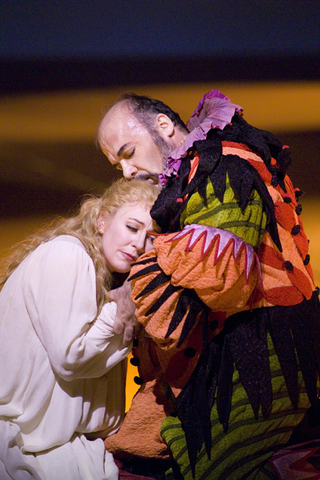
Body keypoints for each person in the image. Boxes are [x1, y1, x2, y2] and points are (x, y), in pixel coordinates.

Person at [98, 91, 320, 479]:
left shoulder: (223, 165)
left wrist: (150, 263)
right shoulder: (194, 173)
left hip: (258, 363)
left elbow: (224, 275)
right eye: (117, 163)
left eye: (129, 152)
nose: (127, 170)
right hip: (235, 357)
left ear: (164, 126)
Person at [0, 177, 160, 480]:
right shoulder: (68, 254)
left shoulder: (109, 279)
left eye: (150, 237)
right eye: (132, 227)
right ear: (102, 221)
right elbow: (72, 357)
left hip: (67, 446)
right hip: (30, 448)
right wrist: (118, 308)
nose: (139, 244)